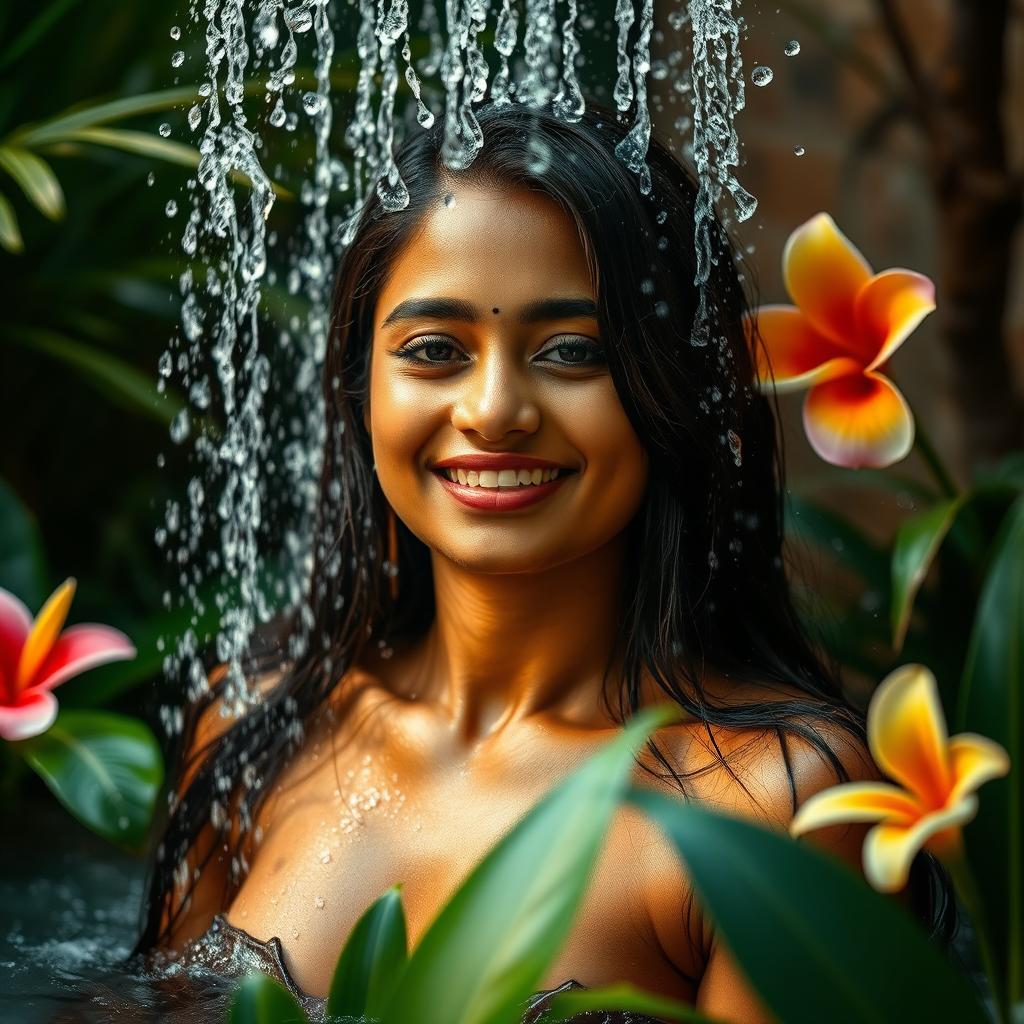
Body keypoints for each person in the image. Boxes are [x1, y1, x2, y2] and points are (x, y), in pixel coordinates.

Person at [134, 99, 954, 1023]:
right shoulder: (262, 724)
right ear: (361, 389)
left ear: (672, 386)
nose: (495, 410)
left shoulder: (772, 805)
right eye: (435, 350)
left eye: (571, 351)